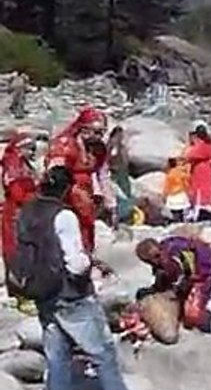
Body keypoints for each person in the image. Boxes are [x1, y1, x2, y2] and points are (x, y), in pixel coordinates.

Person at [19, 166, 137, 390]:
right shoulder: (64, 216)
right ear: (66, 188)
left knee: (56, 361)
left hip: (42, 293)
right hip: (70, 295)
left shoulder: (27, 212)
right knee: (103, 354)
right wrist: (90, 269)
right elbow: (75, 262)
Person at [46, 107, 112, 252]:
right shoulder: (65, 144)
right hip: (66, 192)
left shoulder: (98, 148)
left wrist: (108, 199)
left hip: (87, 192)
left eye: (102, 132)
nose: (100, 136)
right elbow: (55, 173)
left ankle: (87, 253)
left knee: (87, 226)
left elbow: (102, 173)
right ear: (84, 129)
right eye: (96, 132)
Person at [135, 236, 211, 334]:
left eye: (155, 258)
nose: (154, 263)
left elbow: (189, 275)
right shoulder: (164, 258)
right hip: (190, 274)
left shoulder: (178, 255)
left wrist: (183, 286)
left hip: (203, 274)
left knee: (192, 316)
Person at [2, 133, 37, 306]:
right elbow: (16, 192)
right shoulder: (12, 164)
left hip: (27, 211)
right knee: (17, 251)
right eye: (30, 149)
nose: (33, 153)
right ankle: (19, 292)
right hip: (16, 213)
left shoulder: (24, 164)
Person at [183, 124, 211, 222]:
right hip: (208, 172)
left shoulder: (200, 147)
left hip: (200, 173)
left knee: (199, 195)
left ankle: (198, 216)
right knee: (207, 193)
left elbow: (188, 155)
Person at [107, 126, 132, 226]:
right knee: (119, 195)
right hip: (117, 173)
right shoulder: (113, 145)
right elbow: (111, 158)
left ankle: (123, 215)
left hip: (122, 172)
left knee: (124, 193)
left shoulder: (120, 146)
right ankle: (119, 217)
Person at [163, 157, 190, 222]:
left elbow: (167, 186)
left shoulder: (169, 173)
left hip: (172, 195)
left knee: (175, 213)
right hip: (180, 194)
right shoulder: (182, 173)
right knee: (181, 213)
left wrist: (165, 194)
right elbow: (187, 183)